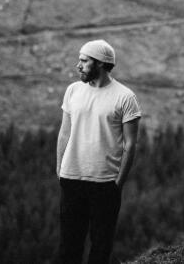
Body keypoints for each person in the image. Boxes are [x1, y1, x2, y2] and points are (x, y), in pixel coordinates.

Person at [56, 39, 141, 264]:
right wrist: (60, 169)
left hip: (105, 184)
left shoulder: (125, 97)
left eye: (84, 60)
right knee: (68, 247)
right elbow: (64, 133)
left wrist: (118, 183)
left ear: (101, 64)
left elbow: (130, 145)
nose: (78, 65)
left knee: (100, 249)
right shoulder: (73, 90)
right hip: (72, 179)